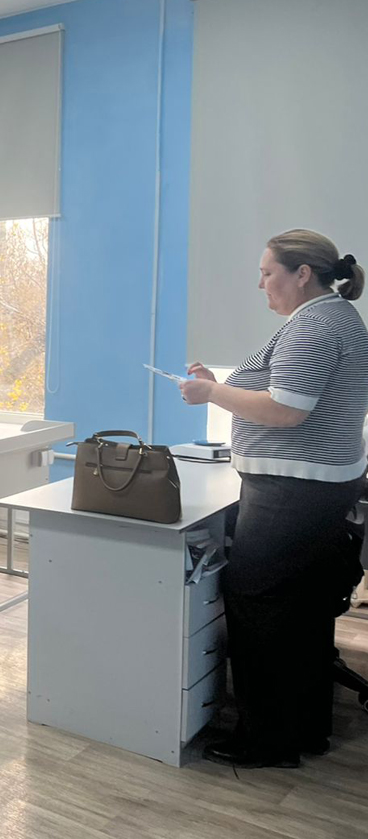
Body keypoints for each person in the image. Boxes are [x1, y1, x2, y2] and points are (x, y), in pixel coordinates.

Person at [181, 229, 368, 769]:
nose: (260, 283)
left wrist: (212, 392)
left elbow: (286, 410)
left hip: (292, 490)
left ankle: (265, 740)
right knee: (302, 610)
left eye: (267, 273)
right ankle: (303, 729)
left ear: (302, 274)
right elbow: (284, 393)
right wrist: (219, 385)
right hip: (318, 485)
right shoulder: (335, 317)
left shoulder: (315, 325)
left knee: (260, 607)